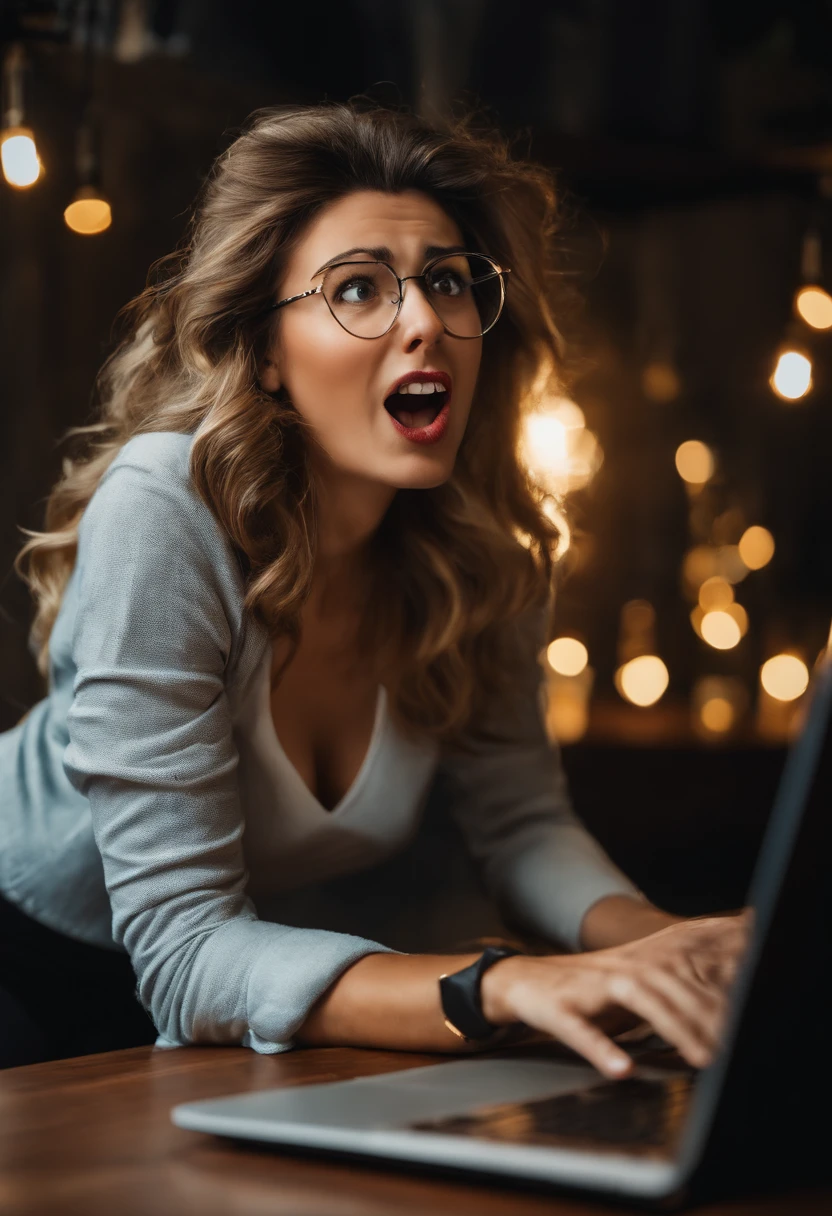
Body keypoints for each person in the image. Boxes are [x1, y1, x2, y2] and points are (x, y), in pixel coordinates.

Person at [0, 99, 747, 1074]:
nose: (425, 320)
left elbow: (522, 826)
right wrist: (503, 982)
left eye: (446, 280)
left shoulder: (488, 543)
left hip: (221, 988)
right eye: (358, 288)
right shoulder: (164, 506)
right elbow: (182, 950)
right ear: (265, 352)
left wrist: (667, 949)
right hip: (25, 956)